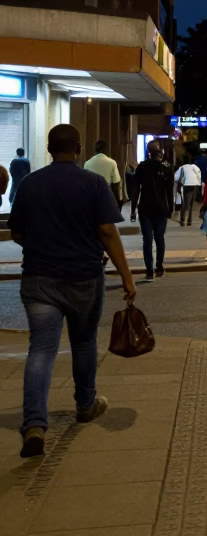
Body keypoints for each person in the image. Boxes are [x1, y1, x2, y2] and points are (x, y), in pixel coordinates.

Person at [10, 124, 137, 458]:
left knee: (41, 349)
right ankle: (85, 404)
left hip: (39, 279)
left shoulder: (30, 183)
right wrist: (126, 276)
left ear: (49, 148)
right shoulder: (93, 183)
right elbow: (107, 231)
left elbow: (17, 233)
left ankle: (34, 424)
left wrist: (41, 245)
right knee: (83, 343)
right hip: (84, 278)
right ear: (78, 149)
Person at [132, 141, 175, 281]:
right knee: (159, 238)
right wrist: (171, 209)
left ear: (148, 152)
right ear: (160, 152)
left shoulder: (141, 167)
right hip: (161, 208)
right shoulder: (167, 168)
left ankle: (149, 270)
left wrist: (133, 209)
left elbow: (136, 189)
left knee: (147, 239)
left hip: (145, 208)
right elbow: (169, 191)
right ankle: (159, 266)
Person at [84, 140, 122, 209]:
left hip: (91, 198)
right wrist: (117, 202)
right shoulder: (112, 162)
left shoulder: (87, 163)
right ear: (106, 149)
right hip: (106, 197)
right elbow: (116, 184)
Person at [174, 158, 202, 226]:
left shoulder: (182, 168)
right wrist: (198, 183)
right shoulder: (194, 167)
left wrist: (178, 186)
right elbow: (199, 175)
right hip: (194, 185)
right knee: (191, 204)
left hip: (186, 185)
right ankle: (189, 221)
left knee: (185, 203)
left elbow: (176, 177)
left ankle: (182, 220)